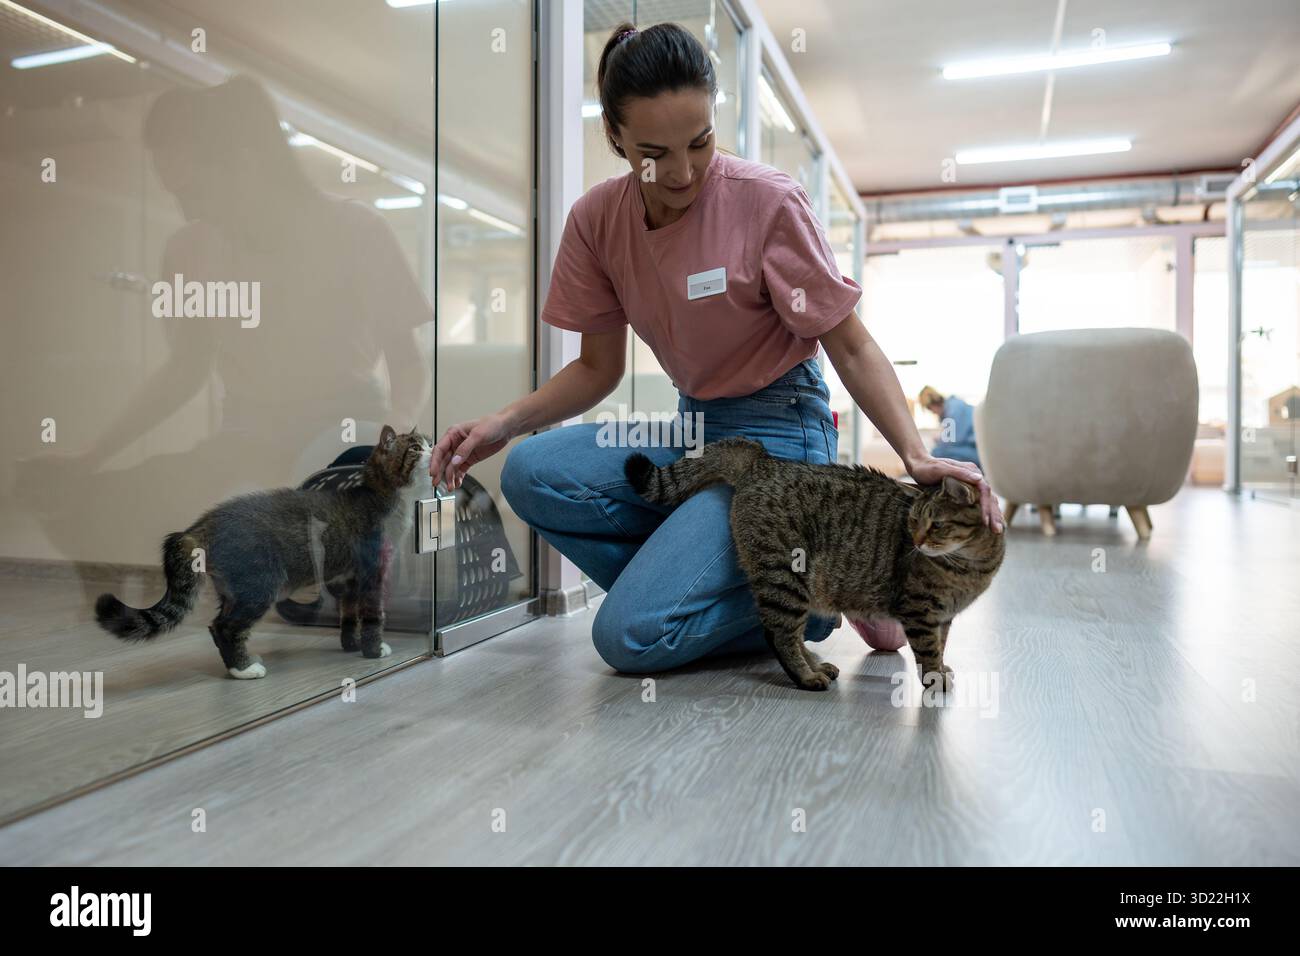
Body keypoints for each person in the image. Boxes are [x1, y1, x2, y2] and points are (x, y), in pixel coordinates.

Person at [430, 22, 1002, 674]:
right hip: (698, 431)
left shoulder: (766, 201)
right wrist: (501, 424)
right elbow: (597, 369)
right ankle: (776, 579)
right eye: (655, 152)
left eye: (700, 142)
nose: (682, 172)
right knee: (529, 473)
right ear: (614, 136)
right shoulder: (596, 222)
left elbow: (849, 344)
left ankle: (811, 599)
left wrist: (916, 454)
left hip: (785, 440)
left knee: (628, 640)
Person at [919, 385, 981, 470]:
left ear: (933, 404)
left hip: (976, 451)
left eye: (930, 409)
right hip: (973, 448)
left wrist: (939, 441)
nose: (933, 412)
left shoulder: (954, 409)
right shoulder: (952, 407)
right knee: (937, 454)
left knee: (937, 455)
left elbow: (952, 442)